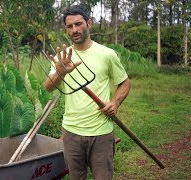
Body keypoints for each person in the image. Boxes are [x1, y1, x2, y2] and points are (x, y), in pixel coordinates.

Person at [44, 4, 130, 180]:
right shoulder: (63, 58)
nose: (74, 29)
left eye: (79, 24)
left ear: (89, 23)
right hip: (71, 132)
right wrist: (60, 71)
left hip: (101, 133)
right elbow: (48, 87)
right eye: (69, 26)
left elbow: (124, 82)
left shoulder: (107, 54)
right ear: (66, 29)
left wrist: (115, 102)